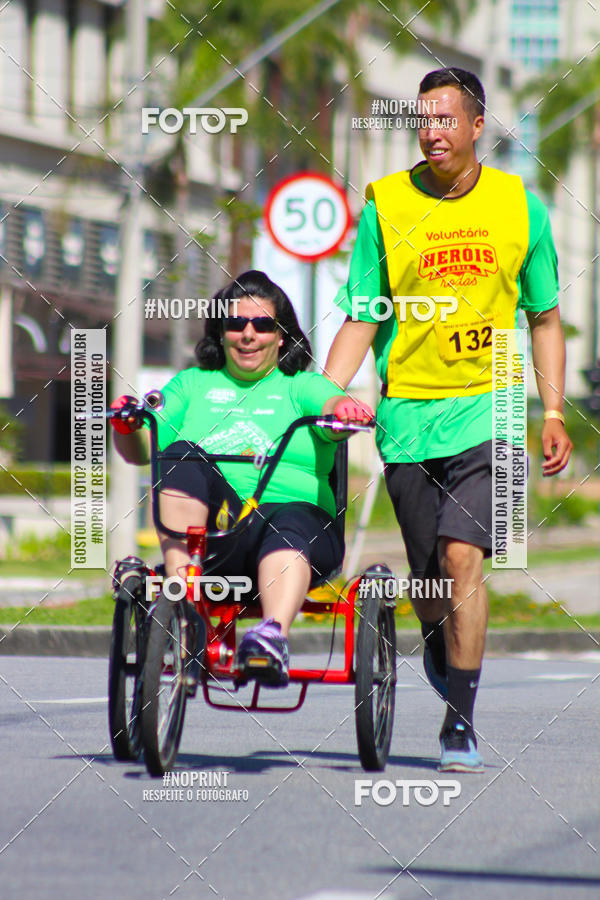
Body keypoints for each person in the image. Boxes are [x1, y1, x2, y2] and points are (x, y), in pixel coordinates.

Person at [325, 67, 573, 771]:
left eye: (444, 119)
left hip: (489, 410)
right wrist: (319, 396)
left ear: (475, 127)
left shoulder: (519, 207)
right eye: (421, 119)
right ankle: (438, 643)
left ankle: (459, 720)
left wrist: (550, 409)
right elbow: (363, 315)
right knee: (430, 581)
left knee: (466, 557)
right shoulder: (386, 205)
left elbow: (545, 317)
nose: (431, 131)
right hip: (407, 416)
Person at [111, 269, 373, 688]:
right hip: (217, 538)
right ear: (221, 332)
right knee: (179, 454)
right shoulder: (192, 386)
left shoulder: (301, 387)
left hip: (298, 530)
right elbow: (143, 449)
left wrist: (344, 409)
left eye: (263, 324)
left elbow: (333, 401)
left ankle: (271, 637)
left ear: (281, 335)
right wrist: (126, 426)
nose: (248, 334)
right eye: (236, 324)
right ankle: (184, 606)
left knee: (286, 522)